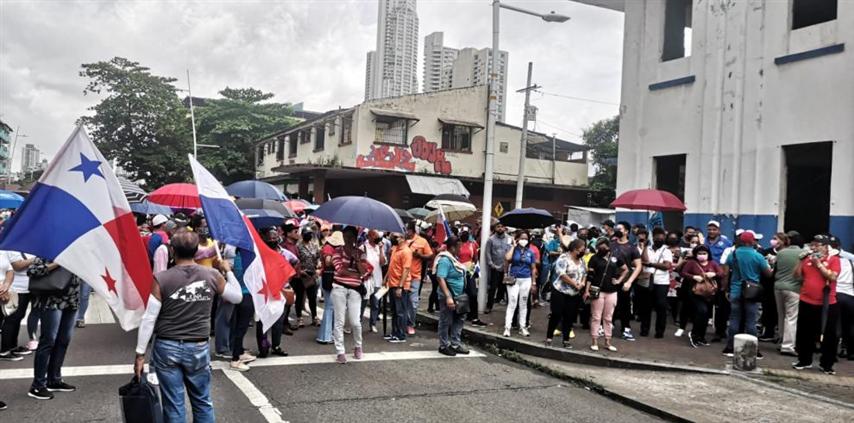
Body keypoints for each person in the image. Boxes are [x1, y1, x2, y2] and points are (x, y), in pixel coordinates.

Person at [134, 231, 243, 422]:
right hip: (198, 346)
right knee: (202, 402)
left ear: (173, 251)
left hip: (167, 346)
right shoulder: (212, 275)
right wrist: (228, 270)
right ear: (196, 251)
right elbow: (237, 297)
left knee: (174, 405)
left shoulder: (161, 278)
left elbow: (149, 318)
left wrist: (140, 353)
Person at [25, 259, 80, 400]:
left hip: (71, 300)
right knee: (48, 341)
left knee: (63, 341)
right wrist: (57, 263)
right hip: (52, 301)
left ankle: (54, 379)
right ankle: (37, 385)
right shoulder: (49, 250)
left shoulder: (76, 252)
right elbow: (32, 271)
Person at [792, 235, 840, 374]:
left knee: (829, 334)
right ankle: (804, 360)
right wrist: (800, 261)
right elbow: (796, 275)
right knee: (804, 333)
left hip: (827, 303)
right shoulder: (807, 259)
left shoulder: (833, 260)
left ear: (825, 247)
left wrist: (819, 264)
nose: (814, 247)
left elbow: (832, 277)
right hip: (807, 301)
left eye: (817, 245)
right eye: (813, 245)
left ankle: (827, 364)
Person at [722, 231, 772, 357]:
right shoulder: (757, 256)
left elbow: (726, 273)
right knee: (750, 321)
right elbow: (768, 274)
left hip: (735, 289)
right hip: (752, 291)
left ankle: (729, 347)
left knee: (734, 319)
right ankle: (753, 349)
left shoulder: (733, 255)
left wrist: (725, 288)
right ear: (751, 242)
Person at [330, 227, 372, 364]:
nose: (348, 239)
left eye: (351, 236)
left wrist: (357, 260)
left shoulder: (360, 253)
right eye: (346, 236)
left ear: (355, 238)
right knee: (339, 321)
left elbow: (365, 272)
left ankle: (358, 346)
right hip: (339, 288)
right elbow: (340, 270)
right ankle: (340, 351)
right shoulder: (337, 251)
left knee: (355, 321)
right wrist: (356, 274)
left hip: (355, 290)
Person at [586, 238, 628, 351]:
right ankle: (594, 340)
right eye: (600, 247)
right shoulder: (594, 258)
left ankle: (607, 341)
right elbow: (589, 275)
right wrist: (586, 290)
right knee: (596, 316)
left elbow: (625, 269)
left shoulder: (615, 258)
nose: (602, 249)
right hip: (598, 290)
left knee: (608, 318)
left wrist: (619, 280)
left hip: (612, 291)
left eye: (604, 247)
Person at [545, 239, 587, 349]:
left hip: (574, 293)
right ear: (575, 249)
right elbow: (562, 274)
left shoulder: (581, 260)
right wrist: (574, 284)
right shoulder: (563, 258)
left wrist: (582, 283)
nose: (584, 251)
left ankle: (566, 339)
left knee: (570, 316)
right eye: (582, 249)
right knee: (556, 314)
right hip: (560, 290)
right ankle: (549, 337)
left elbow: (584, 273)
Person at [680, 245, 724, 347]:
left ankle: (701, 337)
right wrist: (694, 277)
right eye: (699, 253)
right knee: (701, 311)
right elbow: (683, 273)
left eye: (704, 253)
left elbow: (721, 273)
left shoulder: (713, 263)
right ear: (696, 254)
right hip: (695, 292)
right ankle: (694, 333)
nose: (702, 255)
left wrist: (714, 274)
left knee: (706, 315)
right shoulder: (691, 263)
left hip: (709, 294)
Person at [0, 251, 39, 360]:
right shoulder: (11, 247)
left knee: (18, 317)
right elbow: (17, 266)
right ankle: (5, 350)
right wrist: (36, 259)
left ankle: (12, 346)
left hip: (25, 288)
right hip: (17, 288)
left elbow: (10, 270)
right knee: (12, 319)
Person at [435, 236, 469, 356]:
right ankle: (443, 345)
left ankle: (455, 343)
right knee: (446, 320)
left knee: (458, 319)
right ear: (453, 247)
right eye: (459, 247)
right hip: (448, 296)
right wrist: (448, 296)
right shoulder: (445, 260)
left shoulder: (455, 259)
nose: (461, 249)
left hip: (459, 296)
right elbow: (440, 278)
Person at [610, 222, 642, 341]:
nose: (617, 230)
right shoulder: (611, 245)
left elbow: (638, 266)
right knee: (610, 304)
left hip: (625, 281)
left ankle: (626, 329)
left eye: (620, 229)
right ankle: (607, 326)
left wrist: (629, 282)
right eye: (616, 228)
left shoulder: (632, 248)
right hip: (611, 279)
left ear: (626, 231)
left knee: (625, 305)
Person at [772, 232, 802, 356]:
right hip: (794, 288)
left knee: (781, 316)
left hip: (778, 287)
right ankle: (788, 345)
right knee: (791, 317)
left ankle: (781, 340)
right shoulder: (803, 254)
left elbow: (775, 269)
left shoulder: (781, 253)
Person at [226, 252, 257, 372]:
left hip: (239, 294)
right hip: (247, 295)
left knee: (237, 326)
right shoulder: (250, 259)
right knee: (241, 328)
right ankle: (235, 359)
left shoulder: (238, 257)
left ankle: (239, 352)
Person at [503, 231, 536, 337]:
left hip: (526, 280)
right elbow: (507, 259)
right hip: (514, 279)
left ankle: (523, 326)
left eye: (526, 238)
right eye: (522, 238)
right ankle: (507, 327)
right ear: (517, 239)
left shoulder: (530, 252)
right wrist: (513, 245)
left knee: (523, 304)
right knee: (512, 302)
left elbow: (533, 268)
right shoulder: (513, 250)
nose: (524, 240)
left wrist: (534, 282)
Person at [642, 228, 673, 338]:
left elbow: (667, 266)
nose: (660, 238)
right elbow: (643, 260)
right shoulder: (648, 248)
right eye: (657, 236)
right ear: (653, 237)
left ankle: (659, 331)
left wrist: (651, 264)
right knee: (646, 306)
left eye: (662, 236)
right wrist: (645, 246)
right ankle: (644, 330)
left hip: (662, 282)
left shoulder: (666, 250)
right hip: (647, 280)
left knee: (661, 306)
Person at [405, 222, 433, 335]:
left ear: (413, 230)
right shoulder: (402, 241)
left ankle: (411, 323)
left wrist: (420, 256)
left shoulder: (422, 241)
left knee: (413, 302)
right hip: (402, 276)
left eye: (407, 230)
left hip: (415, 276)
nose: (406, 232)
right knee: (403, 301)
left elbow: (430, 255)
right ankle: (402, 323)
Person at [316, 231, 344, 345]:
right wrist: (338, 261)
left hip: (329, 277)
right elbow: (328, 262)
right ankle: (325, 336)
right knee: (329, 307)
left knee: (331, 307)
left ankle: (327, 334)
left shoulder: (328, 246)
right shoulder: (329, 248)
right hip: (329, 277)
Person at [385, 233, 412, 343]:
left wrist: (400, 286)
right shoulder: (395, 249)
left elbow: (406, 270)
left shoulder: (406, 251)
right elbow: (391, 265)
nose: (394, 238)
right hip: (392, 283)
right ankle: (394, 332)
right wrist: (386, 278)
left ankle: (400, 334)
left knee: (400, 311)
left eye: (396, 237)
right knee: (394, 310)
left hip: (400, 285)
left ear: (403, 239)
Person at [831, 236, 853, 361]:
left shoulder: (831, 260)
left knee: (835, 325)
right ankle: (849, 351)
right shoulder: (850, 259)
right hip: (850, 295)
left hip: (836, 294)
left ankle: (833, 353)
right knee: (849, 325)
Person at [361, 230, 385, 333]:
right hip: (366, 280)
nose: (376, 238)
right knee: (363, 302)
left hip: (378, 280)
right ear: (369, 236)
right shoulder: (363, 247)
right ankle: (358, 322)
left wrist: (381, 249)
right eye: (374, 236)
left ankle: (373, 323)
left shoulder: (379, 248)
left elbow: (383, 262)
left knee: (376, 303)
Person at [485, 223, 512, 313]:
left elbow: (511, 250)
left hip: (507, 267)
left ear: (505, 228)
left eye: (502, 226)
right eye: (498, 227)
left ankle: (510, 307)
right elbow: (488, 252)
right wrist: (491, 264)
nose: (500, 228)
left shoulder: (509, 238)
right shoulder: (490, 239)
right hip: (495, 267)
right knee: (493, 288)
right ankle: (489, 306)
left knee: (508, 287)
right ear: (495, 228)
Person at [297, 229, 321, 328]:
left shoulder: (314, 245)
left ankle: (314, 317)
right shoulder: (298, 247)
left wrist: (319, 264)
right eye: (307, 234)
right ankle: (299, 318)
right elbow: (296, 260)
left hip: (312, 274)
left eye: (310, 234)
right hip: (302, 274)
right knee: (300, 296)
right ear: (302, 235)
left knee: (312, 297)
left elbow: (318, 257)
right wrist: (300, 271)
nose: (309, 236)